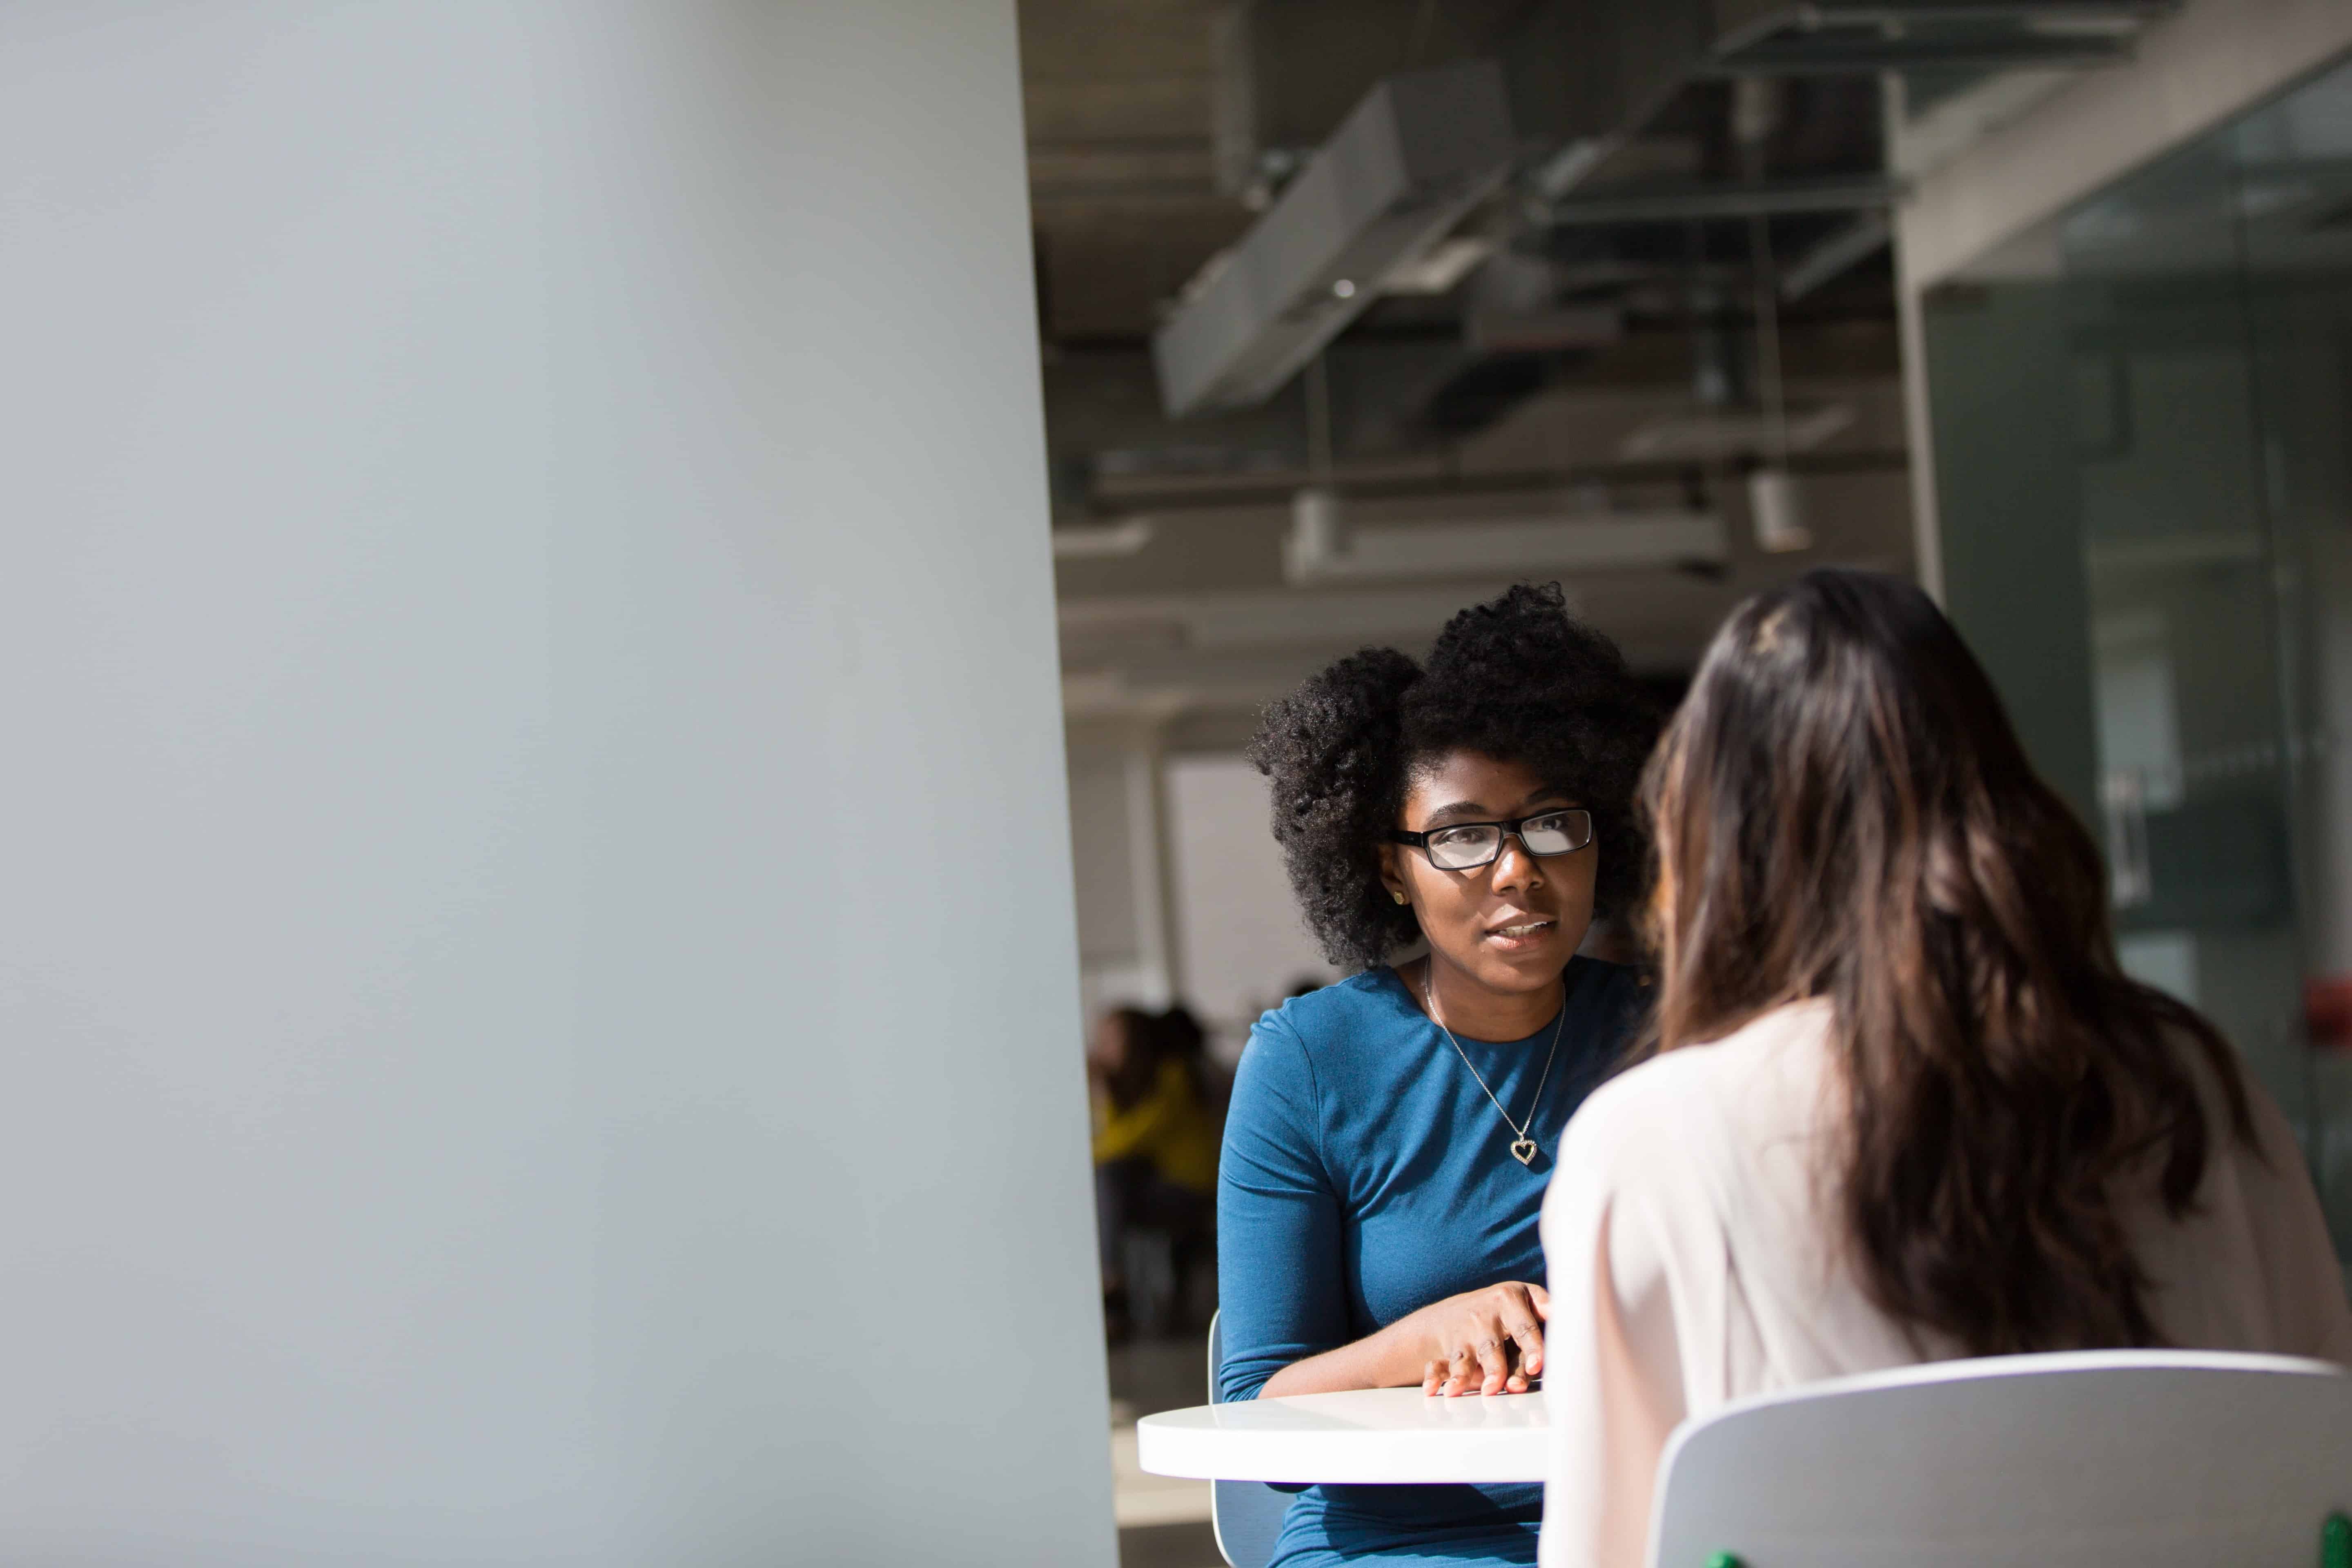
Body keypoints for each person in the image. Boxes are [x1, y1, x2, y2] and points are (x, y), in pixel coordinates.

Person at [1537, 570, 2352, 1568]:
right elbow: (2324, 1471)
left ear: (1717, 841)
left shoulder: (1653, 1144)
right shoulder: (2193, 1083)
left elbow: (1600, 1551)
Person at [1222, 583, 1660, 1567]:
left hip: (1645, 1522)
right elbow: (1255, 1416)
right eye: (1462, 836)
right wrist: (1429, 1336)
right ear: (1388, 868)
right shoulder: (1308, 1060)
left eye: (1552, 823)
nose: (1516, 869)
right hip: (1400, 1540)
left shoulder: (1662, 1031)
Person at [1091, 1005, 1220, 1341]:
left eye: (1109, 1040)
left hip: (1190, 1191)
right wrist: (1106, 1093)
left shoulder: (1173, 1076)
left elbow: (1130, 1139)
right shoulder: (1129, 1086)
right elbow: (1117, 1139)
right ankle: (1112, 1288)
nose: (1101, 1048)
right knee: (1108, 1183)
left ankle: (1111, 1286)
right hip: (1159, 1187)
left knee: (1107, 1181)